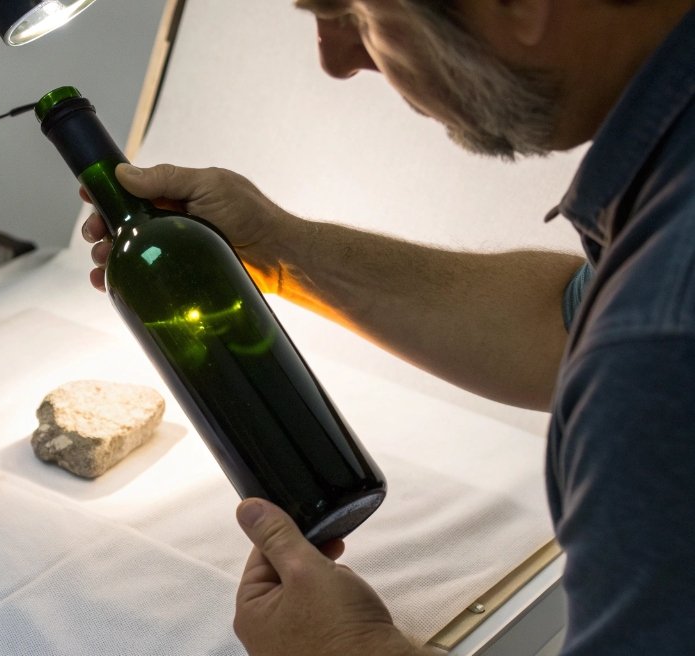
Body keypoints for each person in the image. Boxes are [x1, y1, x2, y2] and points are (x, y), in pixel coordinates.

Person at [81, 1, 695, 654]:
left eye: (354, 11)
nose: (338, 59)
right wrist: (275, 248)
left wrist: (346, 648)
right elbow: (568, 322)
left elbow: (629, 336)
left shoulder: (658, 343)